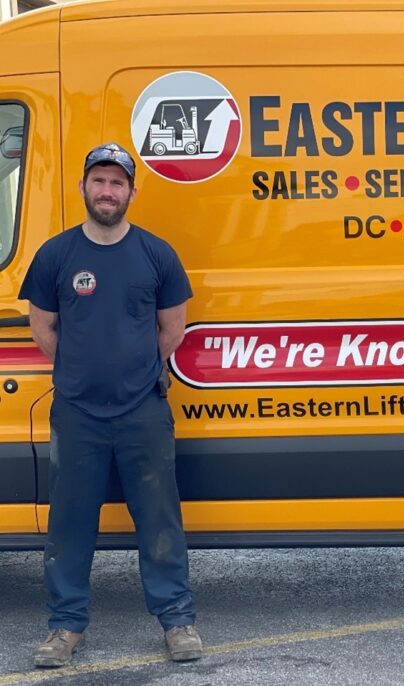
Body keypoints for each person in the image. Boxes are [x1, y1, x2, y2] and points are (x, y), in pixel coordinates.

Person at [19, 143, 201, 667]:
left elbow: (172, 328)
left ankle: (176, 619)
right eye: (98, 181)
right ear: (83, 188)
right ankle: (65, 626)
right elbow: (43, 328)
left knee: (158, 516)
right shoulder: (56, 255)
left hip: (143, 409)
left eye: (116, 183)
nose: (106, 191)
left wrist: (130, 372)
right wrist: (85, 374)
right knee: (70, 522)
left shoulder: (156, 254)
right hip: (77, 413)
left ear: (131, 193)